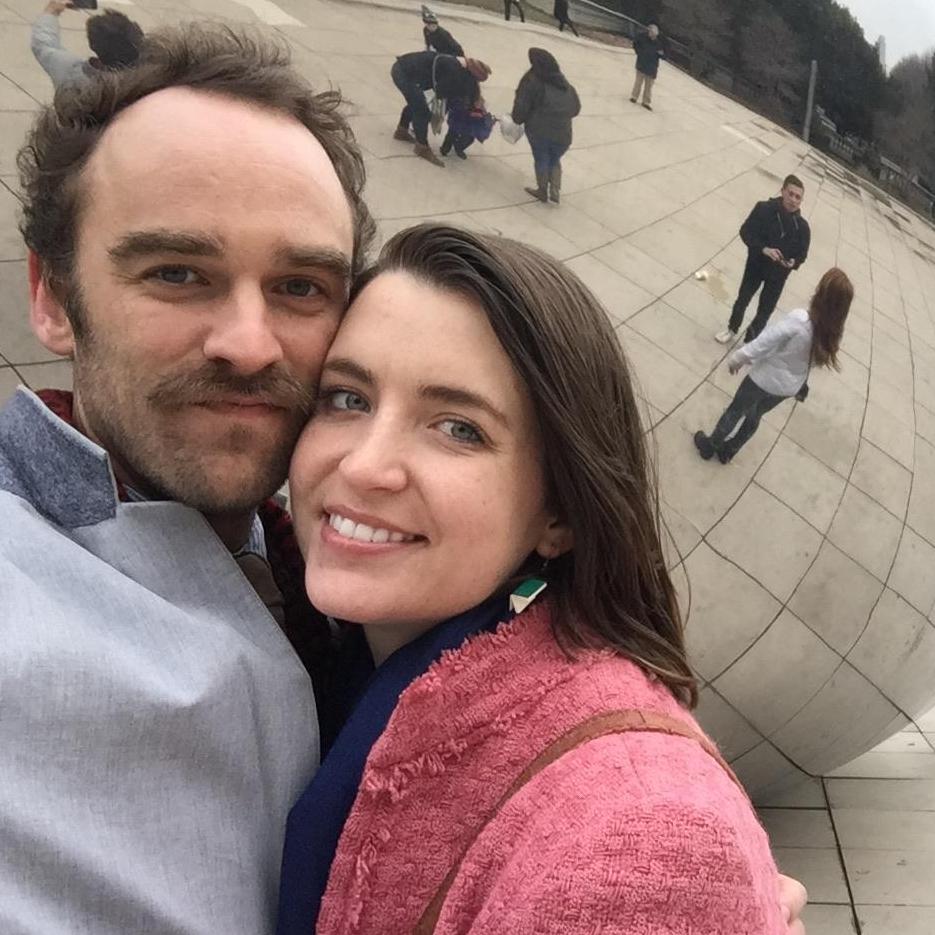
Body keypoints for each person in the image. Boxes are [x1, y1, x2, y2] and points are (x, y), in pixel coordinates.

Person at [276, 223, 799, 934]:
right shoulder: (333, 667)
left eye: (458, 427)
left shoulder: (638, 844)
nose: (365, 465)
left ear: (560, 513)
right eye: (347, 398)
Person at [1, 23, 374, 935]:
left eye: (300, 287)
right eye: (177, 272)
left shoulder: (329, 554)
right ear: (53, 297)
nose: (249, 345)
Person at [696, 268, 853, 464]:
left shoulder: (801, 320)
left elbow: (765, 341)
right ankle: (729, 451)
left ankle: (710, 446)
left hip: (763, 379)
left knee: (736, 410)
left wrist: (739, 358)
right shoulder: (832, 336)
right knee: (755, 415)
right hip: (787, 388)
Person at [716, 175, 812, 344]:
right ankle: (732, 328)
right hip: (756, 264)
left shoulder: (802, 228)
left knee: (765, 311)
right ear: (782, 191)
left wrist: (793, 262)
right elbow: (745, 231)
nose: (793, 200)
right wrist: (764, 249)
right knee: (743, 298)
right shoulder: (764, 209)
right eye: (790, 194)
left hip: (778, 274)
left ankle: (749, 342)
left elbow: (802, 255)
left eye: (798, 197)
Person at [391, 51, 491, 167]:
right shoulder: (454, 70)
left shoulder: (461, 64)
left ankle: (401, 131)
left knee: (418, 102)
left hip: (412, 72)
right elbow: (441, 92)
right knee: (421, 110)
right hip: (403, 73)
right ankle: (422, 147)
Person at [512, 47, 580, 204]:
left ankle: (542, 190)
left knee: (542, 157)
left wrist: (517, 119)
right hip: (563, 135)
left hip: (539, 131)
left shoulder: (532, 80)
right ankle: (555, 189)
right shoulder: (565, 84)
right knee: (554, 158)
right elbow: (576, 109)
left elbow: (522, 105)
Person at [31, 1, 144, 91]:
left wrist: (51, 11)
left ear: (93, 45)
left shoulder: (71, 72)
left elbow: (44, 44)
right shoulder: (144, 82)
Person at [440, 95, 496, 159]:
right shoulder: (461, 101)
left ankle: (459, 147)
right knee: (453, 132)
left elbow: (483, 126)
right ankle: (445, 148)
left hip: (467, 125)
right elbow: (454, 113)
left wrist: (488, 122)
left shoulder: (480, 107)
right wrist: (469, 114)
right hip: (457, 120)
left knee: (470, 137)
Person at [630, 23, 664, 110]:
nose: (651, 34)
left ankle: (646, 102)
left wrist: (661, 54)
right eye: (650, 32)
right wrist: (639, 52)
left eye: (653, 34)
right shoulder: (642, 38)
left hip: (652, 67)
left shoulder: (658, 43)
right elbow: (635, 44)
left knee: (649, 86)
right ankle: (634, 96)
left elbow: (663, 55)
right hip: (642, 63)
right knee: (638, 82)